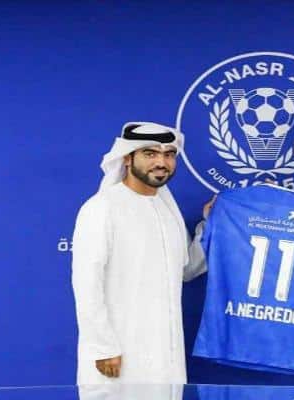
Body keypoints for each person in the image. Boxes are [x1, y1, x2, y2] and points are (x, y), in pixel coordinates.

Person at [71, 122, 209, 384]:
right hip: (118, 356)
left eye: (169, 154)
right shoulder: (102, 207)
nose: (161, 162)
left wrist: (209, 226)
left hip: (167, 357)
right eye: (150, 153)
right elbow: (87, 284)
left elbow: (187, 269)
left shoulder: (167, 210)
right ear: (127, 157)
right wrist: (102, 347)